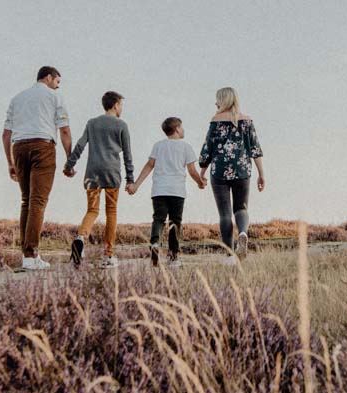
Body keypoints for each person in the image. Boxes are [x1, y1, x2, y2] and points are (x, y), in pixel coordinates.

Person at [2, 66, 72, 271]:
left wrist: (10, 162)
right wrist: (70, 159)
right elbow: (65, 130)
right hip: (43, 147)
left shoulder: (17, 98)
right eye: (57, 82)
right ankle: (31, 255)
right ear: (48, 78)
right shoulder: (55, 98)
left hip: (19, 148)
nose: (58, 87)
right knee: (38, 201)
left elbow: (6, 134)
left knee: (26, 200)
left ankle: (27, 255)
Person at [64, 91, 136, 268]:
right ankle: (108, 255)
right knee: (111, 211)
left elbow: (80, 145)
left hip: (92, 173)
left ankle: (81, 237)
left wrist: (69, 165)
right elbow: (127, 154)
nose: (122, 108)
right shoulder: (121, 125)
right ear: (115, 105)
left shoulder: (92, 123)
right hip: (112, 173)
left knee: (92, 210)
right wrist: (130, 179)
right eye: (121, 105)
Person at [196, 87, 264, 260]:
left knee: (225, 214)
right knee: (241, 207)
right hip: (242, 170)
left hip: (219, 172)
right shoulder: (247, 121)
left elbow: (207, 150)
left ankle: (229, 255)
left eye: (217, 99)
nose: (215, 103)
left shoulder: (215, 121)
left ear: (223, 100)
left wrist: (202, 172)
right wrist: (261, 174)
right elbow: (255, 149)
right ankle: (242, 232)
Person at [128, 116, 205, 267]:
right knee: (175, 222)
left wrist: (136, 184)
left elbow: (149, 166)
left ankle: (155, 243)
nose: (183, 130)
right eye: (181, 127)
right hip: (177, 191)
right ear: (176, 129)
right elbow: (192, 171)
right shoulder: (186, 147)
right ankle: (173, 256)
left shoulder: (158, 146)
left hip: (159, 190)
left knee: (158, 219)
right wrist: (200, 183)